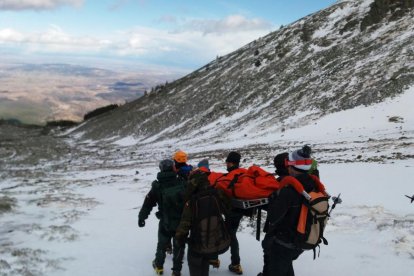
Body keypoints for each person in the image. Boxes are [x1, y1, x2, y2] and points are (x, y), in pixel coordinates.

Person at [259, 146, 316, 276]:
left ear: (291, 166)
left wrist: (274, 198)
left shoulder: (288, 191)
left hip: (284, 243)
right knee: (286, 267)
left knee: (278, 268)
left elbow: (274, 217)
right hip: (302, 239)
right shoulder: (312, 184)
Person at [175, 166, 231, 276]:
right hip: (215, 241)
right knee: (205, 263)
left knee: (195, 265)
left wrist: (179, 239)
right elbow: (228, 209)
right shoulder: (217, 193)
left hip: (197, 245)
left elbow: (184, 227)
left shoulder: (192, 202)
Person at [138, 159, 186, 276]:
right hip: (181, 221)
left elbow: (148, 203)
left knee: (162, 244)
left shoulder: (157, 186)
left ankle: (159, 266)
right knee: (179, 245)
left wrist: (142, 217)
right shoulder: (181, 181)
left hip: (165, 221)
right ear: (173, 168)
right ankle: (176, 271)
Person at [213, 151, 246, 274]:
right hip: (240, 211)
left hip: (231, 211)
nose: (226, 164)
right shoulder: (243, 173)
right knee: (231, 234)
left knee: (225, 233)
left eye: (227, 162)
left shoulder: (231, 177)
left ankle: (222, 260)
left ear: (231, 163)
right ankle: (233, 263)